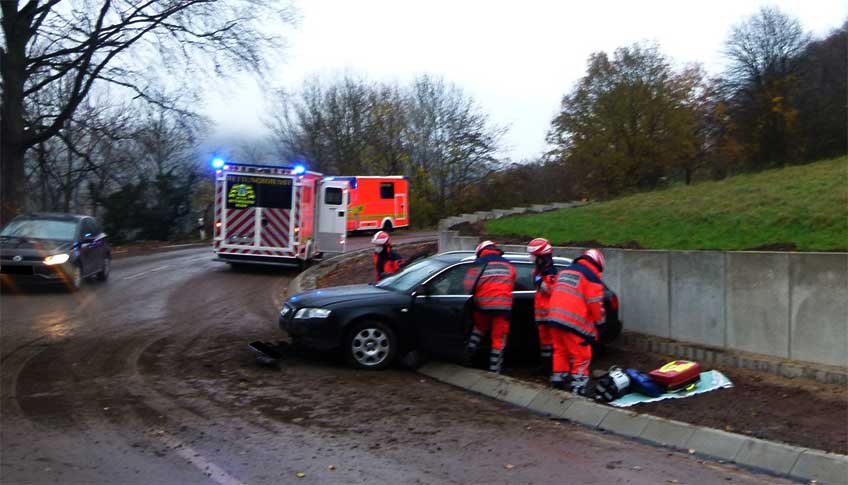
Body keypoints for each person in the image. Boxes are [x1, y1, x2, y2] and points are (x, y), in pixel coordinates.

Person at [547, 248, 606, 394]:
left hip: (554, 318)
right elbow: (595, 305)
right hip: (573, 322)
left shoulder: (565, 271)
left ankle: (558, 383)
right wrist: (601, 323)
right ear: (598, 264)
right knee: (581, 355)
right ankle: (578, 389)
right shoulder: (590, 277)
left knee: (560, 351)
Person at [463, 240, 516, 373]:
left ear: (480, 251)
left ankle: (467, 358)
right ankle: (495, 370)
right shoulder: (508, 264)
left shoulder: (479, 263)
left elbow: (467, 286)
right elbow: (512, 283)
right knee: (498, 339)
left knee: (478, 330)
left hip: (482, 305)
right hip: (503, 307)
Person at [526, 238, 557, 375]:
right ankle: (546, 367)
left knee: (553, 344)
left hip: (550, 314)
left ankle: (554, 370)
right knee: (545, 344)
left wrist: (539, 281)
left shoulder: (551, 272)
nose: (532, 259)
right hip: (542, 315)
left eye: (534, 256)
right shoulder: (540, 271)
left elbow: (550, 290)